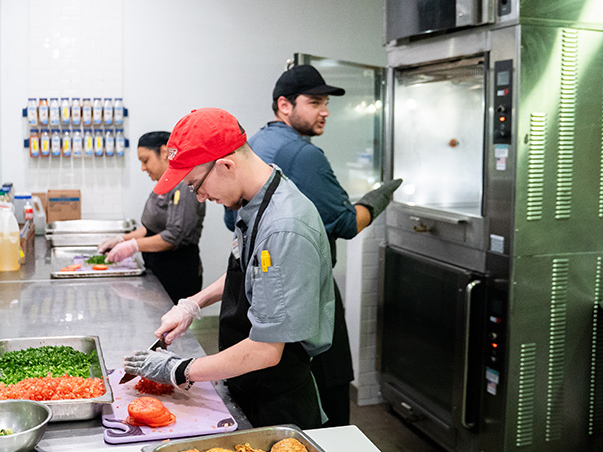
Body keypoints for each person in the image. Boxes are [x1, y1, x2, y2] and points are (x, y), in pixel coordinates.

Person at [123, 108, 335, 429]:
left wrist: (180, 369)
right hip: (247, 382)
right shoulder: (252, 201)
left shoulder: (283, 225)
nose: (201, 196)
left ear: (225, 165)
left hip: (278, 398)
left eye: (197, 185)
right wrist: (192, 305)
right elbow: (248, 272)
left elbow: (266, 350)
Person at [223, 64, 402, 427]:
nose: (325, 111)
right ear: (284, 105)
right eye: (315, 102)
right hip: (304, 288)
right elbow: (349, 223)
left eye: (326, 103)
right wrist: (379, 197)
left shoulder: (254, 144)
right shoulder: (304, 155)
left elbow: (232, 220)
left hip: (255, 284)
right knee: (325, 396)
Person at [98, 131, 206, 304]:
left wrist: (133, 246)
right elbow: (150, 228)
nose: (143, 167)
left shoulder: (184, 186)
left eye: (145, 160)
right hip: (158, 267)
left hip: (178, 271)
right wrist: (121, 239)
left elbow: (174, 235)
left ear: (164, 152)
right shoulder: (163, 184)